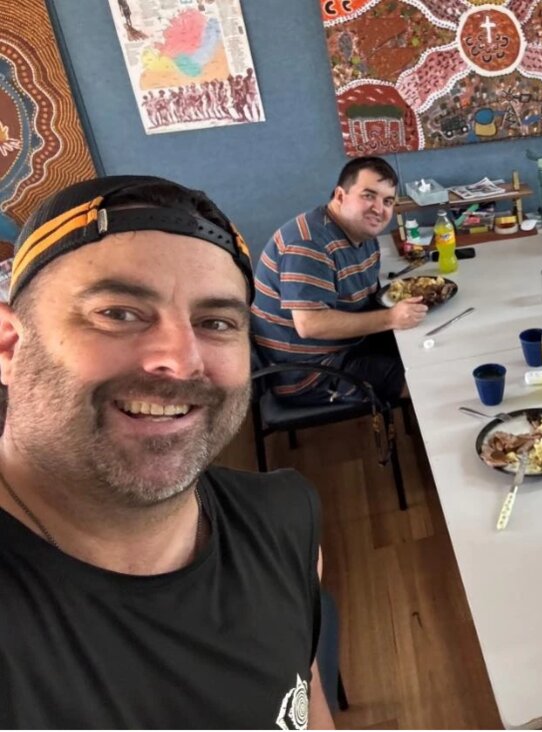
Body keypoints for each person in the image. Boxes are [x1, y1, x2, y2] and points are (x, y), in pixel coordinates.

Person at [0, 175, 333, 728]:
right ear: (10, 345)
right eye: (118, 313)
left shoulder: (285, 520)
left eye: (215, 323)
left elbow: (306, 703)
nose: (182, 361)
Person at [251, 156, 426, 407]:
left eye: (388, 201)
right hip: (309, 372)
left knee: (425, 346)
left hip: (347, 346)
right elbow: (310, 325)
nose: (379, 209)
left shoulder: (362, 234)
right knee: (423, 381)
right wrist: (391, 318)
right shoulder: (308, 244)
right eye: (368, 196)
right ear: (340, 195)